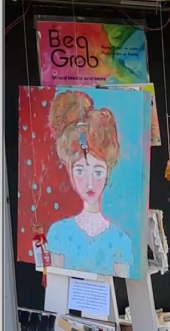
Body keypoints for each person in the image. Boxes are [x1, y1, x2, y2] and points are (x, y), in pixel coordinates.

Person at [46, 90, 133, 277]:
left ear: (107, 172)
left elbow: (121, 288)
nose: (90, 183)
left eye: (98, 171)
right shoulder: (59, 233)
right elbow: (57, 285)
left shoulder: (121, 240)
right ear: (69, 171)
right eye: (80, 171)